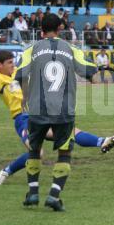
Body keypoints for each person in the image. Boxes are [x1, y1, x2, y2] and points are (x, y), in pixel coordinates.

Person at [0, 38, 114, 186]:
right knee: (38, 153)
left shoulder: (19, 71)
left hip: (42, 112)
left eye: (13, 61)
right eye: (9, 62)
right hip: (23, 119)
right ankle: (6, 172)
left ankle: (102, 141)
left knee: (68, 132)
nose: (13, 64)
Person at [14, 14, 98, 211]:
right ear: (60, 29)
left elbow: (21, 76)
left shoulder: (31, 49)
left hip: (37, 109)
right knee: (64, 152)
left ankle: (33, 193)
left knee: (34, 149)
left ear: (41, 31)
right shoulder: (71, 49)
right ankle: (53, 195)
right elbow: (91, 73)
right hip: (64, 110)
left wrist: (26, 98)